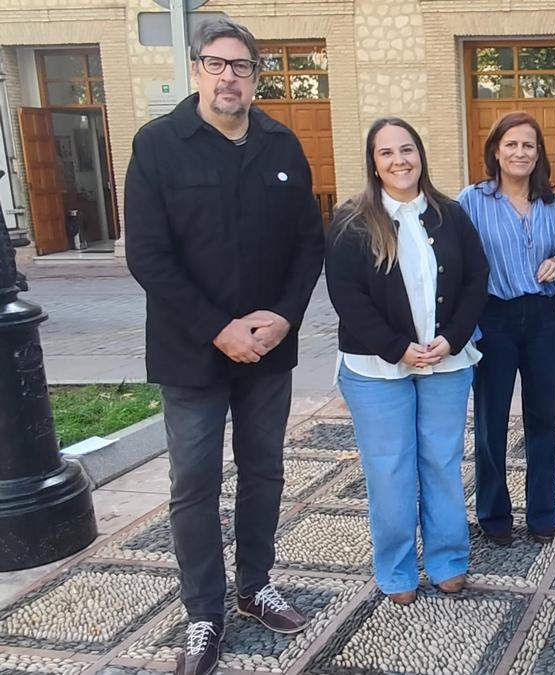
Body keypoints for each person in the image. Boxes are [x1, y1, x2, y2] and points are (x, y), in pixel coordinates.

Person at [123, 18, 324, 675]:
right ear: (195, 69)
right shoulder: (157, 146)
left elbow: (307, 244)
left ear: (256, 75)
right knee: (195, 482)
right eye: (216, 64)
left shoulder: (282, 145)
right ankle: (204, 611)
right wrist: (220, 327)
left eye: (241, 66)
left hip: (268, 351)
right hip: (192, 352)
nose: (228, 76)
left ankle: (255, 585)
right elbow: (149, 257)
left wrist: (286, 318)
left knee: (264, 470)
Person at [325, 117, 489, 607]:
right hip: (376, 369)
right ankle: (396, 568)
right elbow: (347, 297)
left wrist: (452, 339)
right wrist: (397, 347)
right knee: (390, 469)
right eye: (387, 153)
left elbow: (477, 281)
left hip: (446, 363)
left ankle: (447, 561)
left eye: (407, 150)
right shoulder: (351, 221)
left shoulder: (451, 215)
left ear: (421, 154)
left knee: (440, 464)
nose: (399, 161)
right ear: (373, 164)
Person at [457, 111, 555, 547]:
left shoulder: (552, 203)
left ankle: (543, 512)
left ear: (538, 153)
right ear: (496, 150)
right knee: (491, 421)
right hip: (494, 318)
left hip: (543, 319)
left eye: (528, 145)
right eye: (511, 144)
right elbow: (458, 261)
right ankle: (493, 514)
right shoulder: (471, 200)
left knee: (545, 417)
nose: (520, 152)